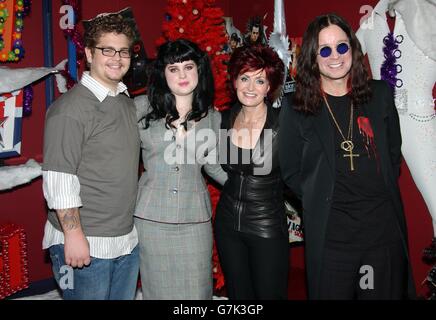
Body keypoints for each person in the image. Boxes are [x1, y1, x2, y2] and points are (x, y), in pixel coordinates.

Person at [279, 13, 416, 300]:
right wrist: (319, 195)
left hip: (381, 240)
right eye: (324, 50)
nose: (335, 57)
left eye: (341, 47)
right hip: (332, 242)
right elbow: (290, 169)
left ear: (352, 49)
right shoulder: (296, 108)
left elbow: (393, 155)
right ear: (312, 58)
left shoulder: (379, 95)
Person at [42, 13, 140, 300]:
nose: (116, 58)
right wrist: (73, 236)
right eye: (106, 49)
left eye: (123, 51)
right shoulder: (70, 109)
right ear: (88, 53)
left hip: (125, 240)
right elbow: (59, 177)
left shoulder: (124, 101)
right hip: (85, 242)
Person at [134, 38, 227, 300]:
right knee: (157, 292)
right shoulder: (142, 109)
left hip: (194, 220)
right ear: (163, 75)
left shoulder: (213, 117)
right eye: (173, 69)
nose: (182, 75)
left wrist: (253, 188)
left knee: (198, 293)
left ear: (199, 70)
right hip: (151, 221)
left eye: (188, 66)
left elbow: (214, 167)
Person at [356, 0, 436, 263]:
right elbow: (342, 57)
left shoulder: (429, 17)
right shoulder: (374, 21)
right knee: (371, 205)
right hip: (379, 126)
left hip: (420, 123)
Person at [214, 45, 288, 300]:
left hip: (266, 226)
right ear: (234, 80)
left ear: (269, 87)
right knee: (238, 296)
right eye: (244, 78)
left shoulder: (285, 123)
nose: (250, 87)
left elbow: (304, 173)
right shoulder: (222, 120)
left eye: (260, 80)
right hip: (226, 225)